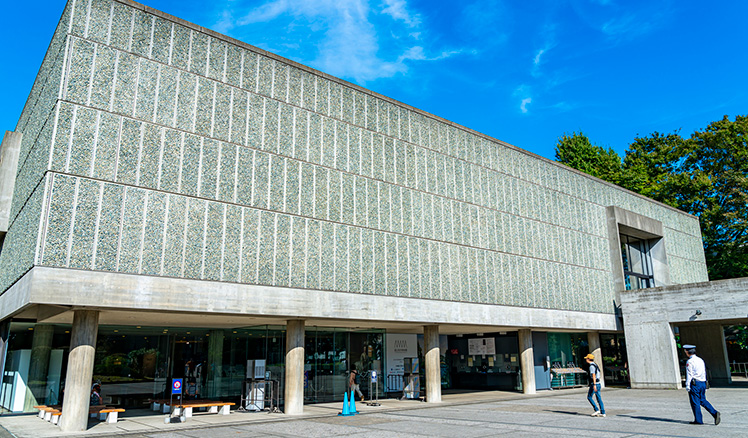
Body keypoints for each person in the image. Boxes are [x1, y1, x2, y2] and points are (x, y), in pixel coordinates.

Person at [683, 344, 720, 425]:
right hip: (702, 382)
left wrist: (687, 385)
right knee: (702, 400)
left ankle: (698, 420)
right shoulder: (700, 360)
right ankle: (714, 413)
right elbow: (704, 372)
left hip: (695, 383)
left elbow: (689, 374)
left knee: (695, 402)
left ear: (687, 352)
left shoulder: (690, 361)